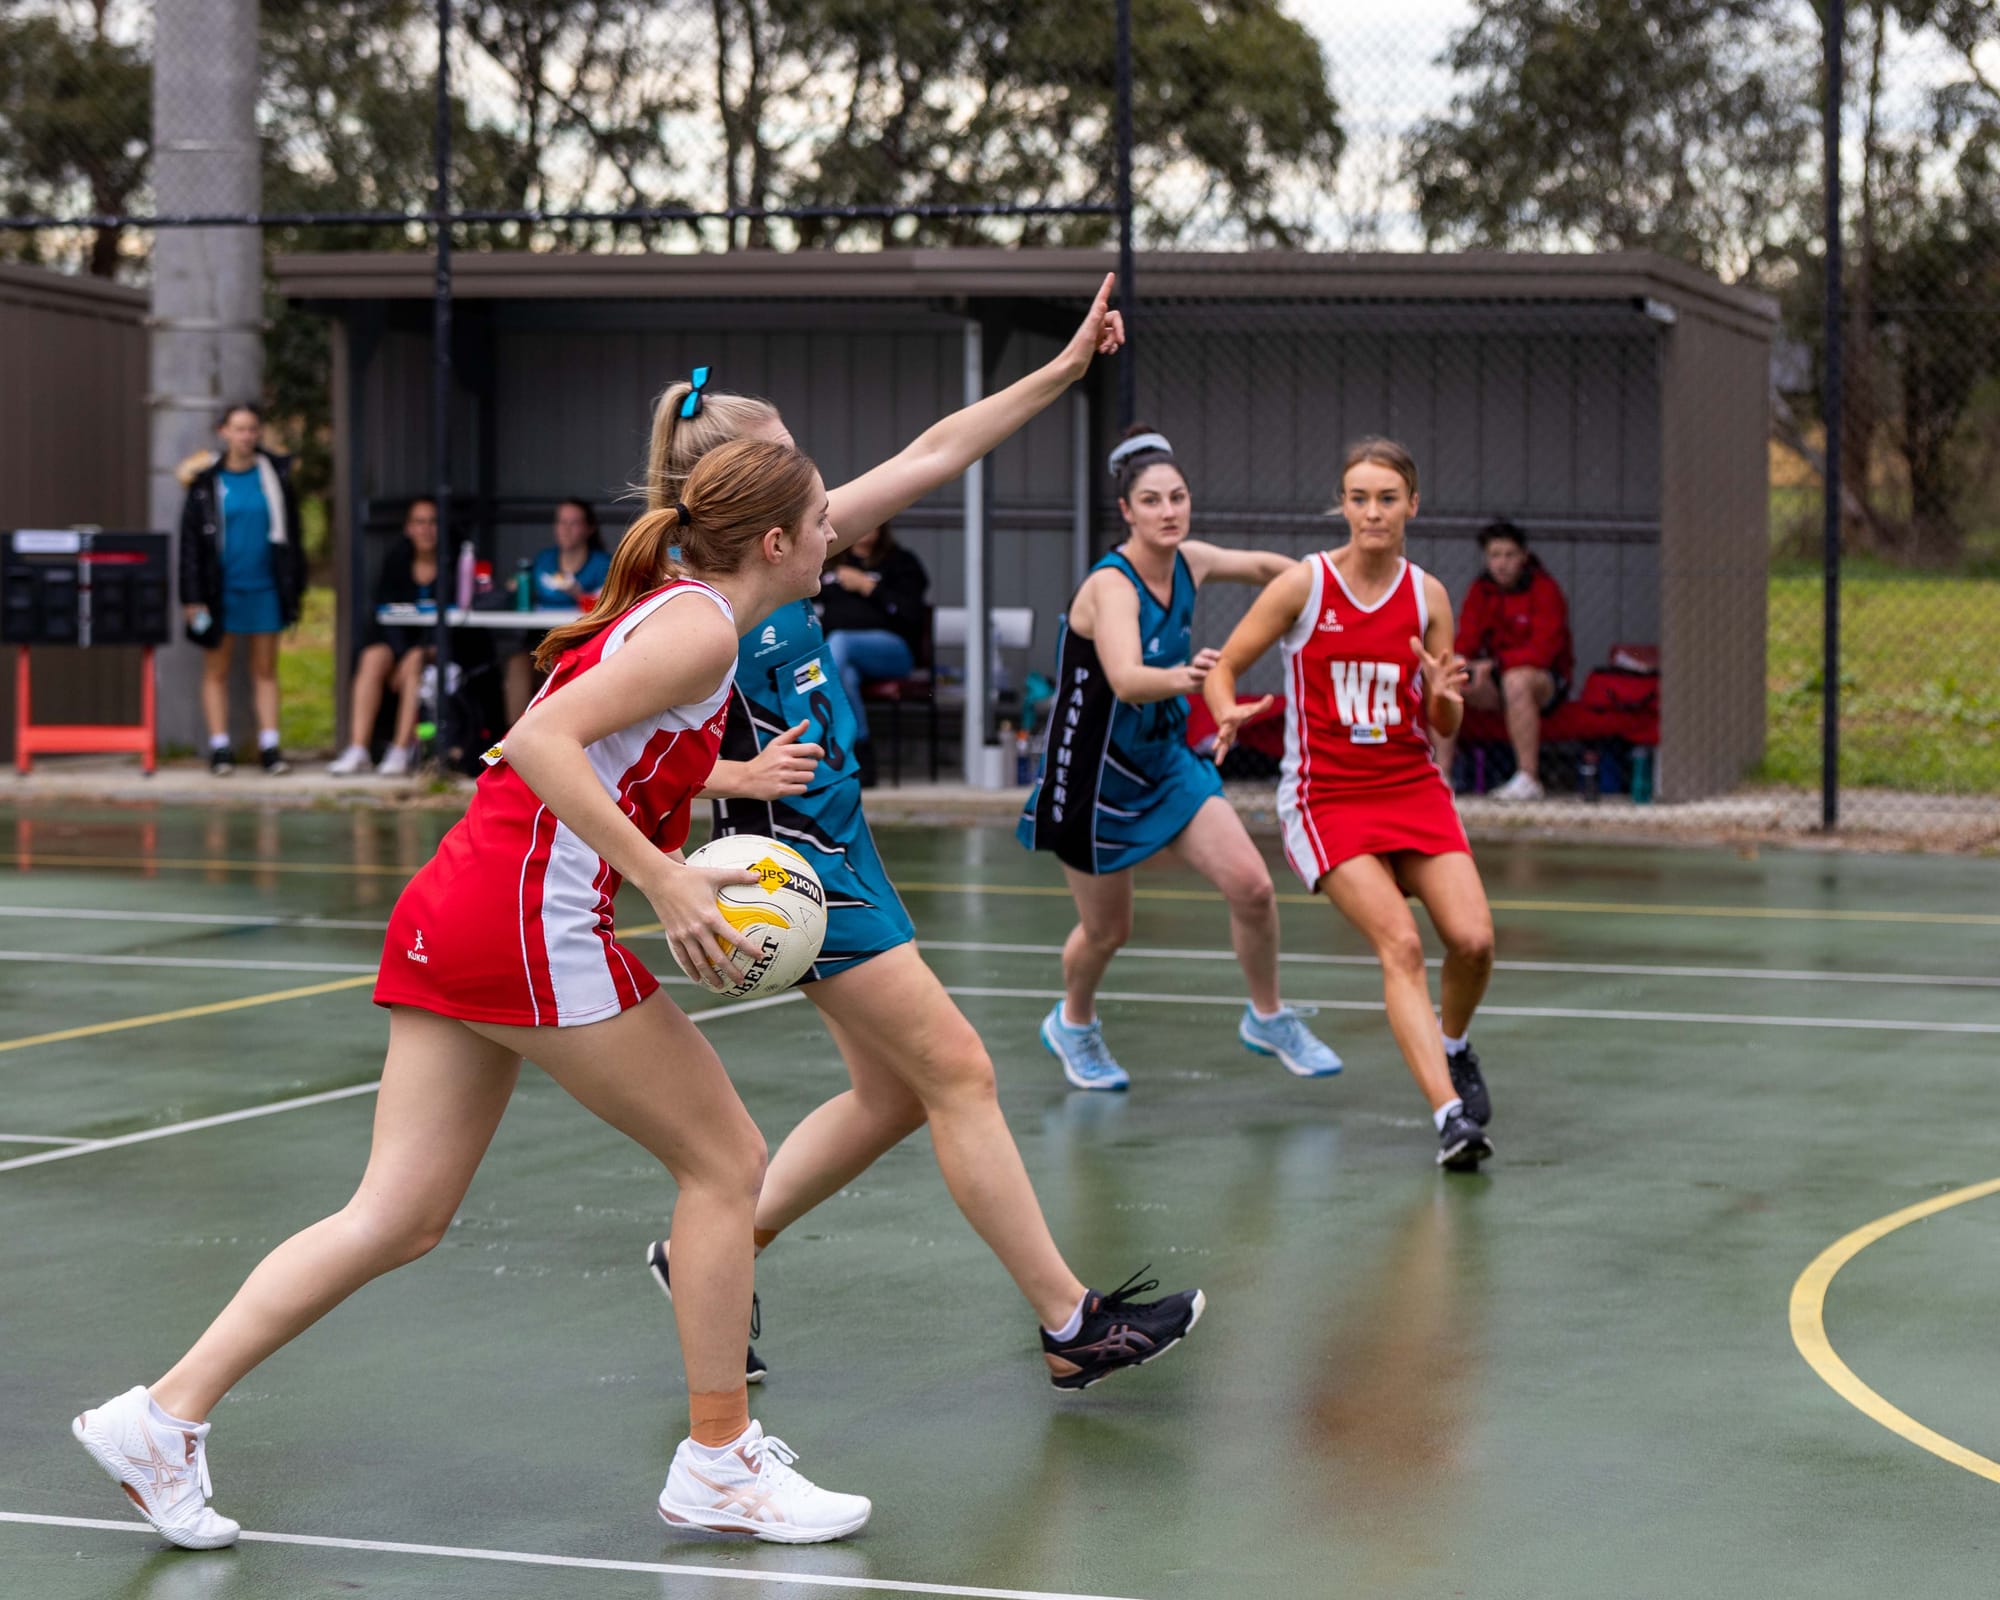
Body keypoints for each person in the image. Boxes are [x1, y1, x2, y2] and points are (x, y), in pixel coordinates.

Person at [72, 440, 877, 1549]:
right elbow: (535, 740)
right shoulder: (695, 626)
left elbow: (607, 761)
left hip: (463, 901)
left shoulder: (678, 612)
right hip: (524, 920)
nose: (839, 532)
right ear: (776, 541)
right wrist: (661, 879)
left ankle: (159, 1417)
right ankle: (719, 1460)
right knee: (728, 1160)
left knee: (395, 1215)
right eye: (825, 517)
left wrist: (709, 822)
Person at [640, 278, 1205, 1394]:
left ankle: (708, 1250)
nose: (815, 475)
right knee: (956, 1070)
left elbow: (940, 447)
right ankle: (1071, 1321)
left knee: (894, 1093)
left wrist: (1060, 370)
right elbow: (572, 740)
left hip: (844, 841)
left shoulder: (786, 544)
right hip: (795, 865)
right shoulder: (690, 606)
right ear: (746, 493)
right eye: (789, 456)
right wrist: (732, 770)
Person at [1203, 438, 1497, 1172]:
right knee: (1398, 943)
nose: (1372, 512)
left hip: (1410, 785)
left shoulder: (1427, 595)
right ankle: (1449, 1117)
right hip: (1327, 795)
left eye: (1387, 499)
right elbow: (1228, 665)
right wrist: (1226, 711)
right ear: (1343, 504)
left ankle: (1453, 1045)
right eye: (1359, 498)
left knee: (1474, 941)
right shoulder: (1304, 587)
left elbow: (1447, 721)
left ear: (1412, 506)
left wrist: (1440, 696)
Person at [1017, 425, 1341, 1090]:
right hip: (1092, 779)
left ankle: (1268, 1016)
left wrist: (1332, 594)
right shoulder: (1112, 587)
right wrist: (1196, 680)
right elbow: (1129, 678)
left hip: (1163, 761)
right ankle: (1072, 1024)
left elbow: (1267, 570)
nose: (1169, 511)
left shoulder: (1190, 561)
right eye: (1153, 500)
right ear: (1127, 511)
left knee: (1252, 888)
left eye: (1179, 497)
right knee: (1108, 932)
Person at [176, 403, 306, 775]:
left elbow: (292, 537)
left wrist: (294, 587)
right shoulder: (205, 482)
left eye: (252, 429)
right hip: (219, 591)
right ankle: (220, 748)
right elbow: (190, 546)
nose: (246, 436)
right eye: (238, 428)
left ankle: (270, 747)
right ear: (223, 432)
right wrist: (192, 596)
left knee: (265, 669)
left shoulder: (274, 476)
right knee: (216, 668)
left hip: (265, 586)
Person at [1431, 519, 1574, 800]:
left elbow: (1544, 651)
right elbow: (1467, 639)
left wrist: (1495, 664)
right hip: (1493, 679)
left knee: (1516, 681)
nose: (1502, 564)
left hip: (1543, 682)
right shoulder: (1481, 590)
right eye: (1495, 556)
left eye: (1509, 555)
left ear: (1523, 556)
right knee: (1446, 677)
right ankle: (1442, 776)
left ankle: (1529, 778)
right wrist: (1462, 663)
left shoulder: (1545, 590)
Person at [327, 497, 441, 777]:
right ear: (408, 528)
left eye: (432, 522)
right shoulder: (397, 560)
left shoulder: (455, 563)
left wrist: (414, 655)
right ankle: (358, 748)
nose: (426, 529)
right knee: (372, 657)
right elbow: (384, 613)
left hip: (439, 647)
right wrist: (399, 657)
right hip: (400, 645)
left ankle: (400, 750)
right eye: (419, 522)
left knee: (415, 660)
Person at [818, 521, 928, 787]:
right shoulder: (829, 563)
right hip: (840, 656)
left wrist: (868, 587)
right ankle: (862, 754)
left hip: (894, 653)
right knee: (847, 674)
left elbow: (912, 615)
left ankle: (826, 743)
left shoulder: (901, 562)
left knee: (839, 644)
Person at [503, 497, 615, 725]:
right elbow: (525, 595)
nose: (566, 529)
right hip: (539, 639)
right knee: (517, 663)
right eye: (561, 522)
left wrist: (578, 594)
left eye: (574, 523)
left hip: (580, 640)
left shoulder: (603, 563)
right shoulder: (544, 559)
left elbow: (607, 606)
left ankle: (552, 733)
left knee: (558, 663)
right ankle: (513, 741)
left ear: (589, 528)